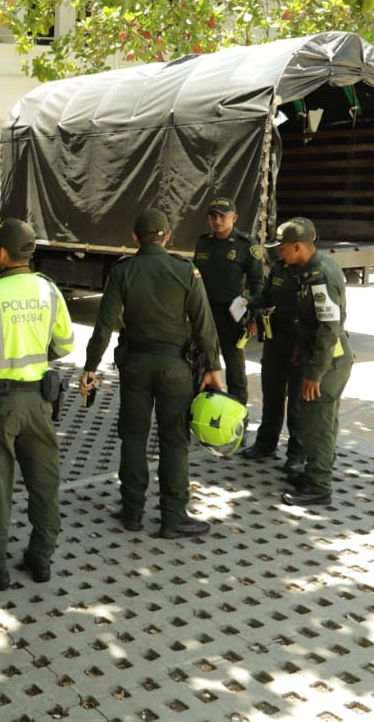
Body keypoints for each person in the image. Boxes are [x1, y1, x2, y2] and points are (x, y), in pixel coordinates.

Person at [78, 209, 224, 538]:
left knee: (133, 437)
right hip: (176, 369)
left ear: (134, 237)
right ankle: (173, 516)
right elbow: (204, 324)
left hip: (135, 366)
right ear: (168, 236)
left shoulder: (122, 271)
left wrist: (90, 367)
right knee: (174, 441)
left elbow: (103, 327)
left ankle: (132, 512)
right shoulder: (185, 270)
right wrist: (214, 367)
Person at [0, 220, 74, 590]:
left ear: (1, 253)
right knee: (45, 483)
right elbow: (65, 344)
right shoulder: (49, 291)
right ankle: (40, 559)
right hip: (39, 402)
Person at [269, 217, 354, 506]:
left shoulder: (320, 276)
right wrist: (298, 346)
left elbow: (329, 329)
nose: (278, 252)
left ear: (297, 246)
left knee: (318, 424)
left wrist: (314, 374)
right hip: (318, 356)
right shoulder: (309, 269)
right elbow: (311, 321)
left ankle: (319, 486)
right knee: (317, 421)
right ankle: (315, 472)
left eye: (281, 247)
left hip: (328, 362)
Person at [240, 247, 307, 474]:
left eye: (286, 244)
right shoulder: (279, 267)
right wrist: (249, 302)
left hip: (300, 339)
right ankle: (265, 444)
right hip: (276, 336)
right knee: (272, 393)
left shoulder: (314, 270)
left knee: (297, 402)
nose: (280, 249)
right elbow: (268, 297)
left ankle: (297, 454)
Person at [192, 197, 264, 405]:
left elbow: (257, 283)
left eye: (222, 216)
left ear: (234, 218)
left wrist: (254, 318)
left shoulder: (246, 245)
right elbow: (195, 279)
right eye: (213, 216)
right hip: (204, 312)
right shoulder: (203, 242)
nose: (217, 221)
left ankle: (238, 411)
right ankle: (200, 405)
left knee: (234, 366)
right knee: (198, 360)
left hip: (232, 314)